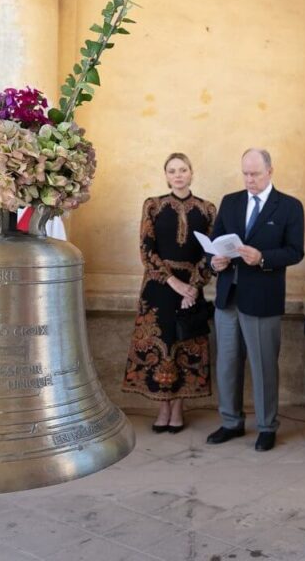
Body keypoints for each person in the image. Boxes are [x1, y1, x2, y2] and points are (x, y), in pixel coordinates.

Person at [206, 148, 304, 452]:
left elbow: (295, 251)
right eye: (245, 174)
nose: (249, 179)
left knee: (263, 367)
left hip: (263, 298)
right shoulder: (230, 201)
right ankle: (230, 422)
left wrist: (262, 258)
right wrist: (215, 262)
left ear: (270, 171)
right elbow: (214, 243)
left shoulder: (289, 206)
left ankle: (266, 426)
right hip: (228, 296)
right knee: (227, 364)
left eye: (255, 174)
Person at [122, 153, 216, 433]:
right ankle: (162, 407)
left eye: (183, 170)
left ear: (191, 173)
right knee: (161, 345)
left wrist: (195, 287)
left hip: (192, 287)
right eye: (172, 171)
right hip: (158, 287)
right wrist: (175, 283)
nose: (178, 175)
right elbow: (146, 250)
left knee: (184, 345)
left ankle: (178, 409)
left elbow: (210, 253)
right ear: (166, 175)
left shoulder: (207, 209)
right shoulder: (153, 205)